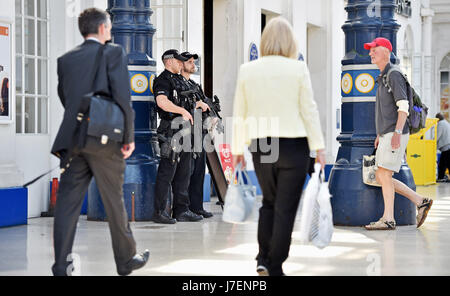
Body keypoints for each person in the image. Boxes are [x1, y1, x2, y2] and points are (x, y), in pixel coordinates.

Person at [51, 8, 149, 276]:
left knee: (67, 204)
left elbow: (67, 98)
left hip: (74, 138)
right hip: (106, 139)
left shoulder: (65, 60)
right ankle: (126, 259)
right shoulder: (114, 52)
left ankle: (60, 265)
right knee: (114, 200)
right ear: (104, 29)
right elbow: (123, 98)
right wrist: (128, 137)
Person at [231, 17, 326, 276]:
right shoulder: (297, 69)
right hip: (293, 145)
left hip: (262, 145)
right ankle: (275, 265)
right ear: (290, 43)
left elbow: (240, 112)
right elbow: (309, 110)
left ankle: (263, 257)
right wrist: (319, 147)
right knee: (285, 208)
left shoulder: (247, 70)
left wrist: (237, 149)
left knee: (269, 203)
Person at [363, 37, 433, 230]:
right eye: (370, 50)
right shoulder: (384, 76)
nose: (370, 53)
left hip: (396, 133)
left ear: (386, 51)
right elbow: (387, 110)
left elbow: (403, 106)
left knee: (383, 174)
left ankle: (388, 218)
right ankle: (420, 201)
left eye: (374, 49)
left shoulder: (393, 74)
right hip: (388, 133)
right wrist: (381, 134)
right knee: (381, 176)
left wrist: (395, 132)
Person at [152, 49, 205, 224]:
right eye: (178, 60)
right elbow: (162, 101)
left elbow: (186, 101)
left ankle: (181, 210)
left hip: (186, 132)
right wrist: (181, 110)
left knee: (184, 173)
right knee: (167, 172)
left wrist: (197, 104)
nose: (181, 63)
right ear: (168, 61)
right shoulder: (162, 80)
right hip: (171, 131)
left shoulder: (181, 81)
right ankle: (159, 212)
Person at [179, 51, 214, 219]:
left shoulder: (194, 84)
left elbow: (206, 104)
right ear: (181, 64)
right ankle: (184, 208)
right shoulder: (177, 83)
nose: (193, 64)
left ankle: (197, 207)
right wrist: (196, 103)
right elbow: (178, 104)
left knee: (199, 170)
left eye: (194, 62)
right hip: (185, 132)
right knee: (187, 171)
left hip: (200, 132)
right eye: (190, 62)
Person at [436, 113, 450, 182]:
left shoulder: (441, 124)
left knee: (443, 164)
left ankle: (440, 177)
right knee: (444, 163)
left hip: (446, 147)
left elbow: (437, 135)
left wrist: (433, 142)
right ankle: (441, 177)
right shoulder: (447, 123)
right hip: (448, 146)